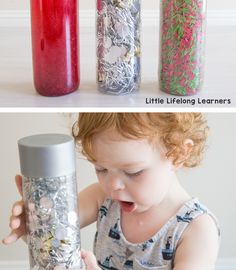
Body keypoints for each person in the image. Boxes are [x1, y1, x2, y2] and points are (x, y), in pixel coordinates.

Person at [3, 113, 220, 269]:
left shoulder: (196, 230)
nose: (113, 185)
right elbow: (57, 237)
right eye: (101, 169)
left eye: (133, 172)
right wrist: (39, 226)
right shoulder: (103, 198)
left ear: (179, 153)